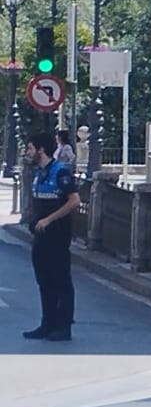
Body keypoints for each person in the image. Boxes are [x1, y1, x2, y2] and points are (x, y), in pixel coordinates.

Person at [20, 131, 79, 341]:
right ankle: (48, 323)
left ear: (41, 150)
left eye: (29, 148)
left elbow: (74, 200)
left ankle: (64, 326)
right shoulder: (39, 173)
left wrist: (49, 219)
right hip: (40, 237)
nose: (27, 152)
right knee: (44, 281)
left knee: (60, 281)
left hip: (57, 236)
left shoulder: (60, 171)